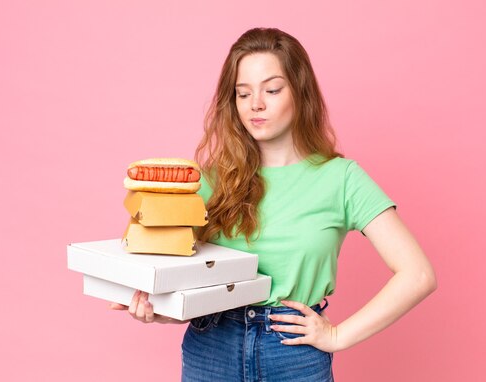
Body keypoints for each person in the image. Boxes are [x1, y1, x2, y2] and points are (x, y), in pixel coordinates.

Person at [111, 27, 437, 381]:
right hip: (212, 347)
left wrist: (338, 335)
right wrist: (160, 308)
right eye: (243, 93)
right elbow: (183, 269)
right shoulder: (212, 180)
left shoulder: (341, 178)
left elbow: (418, 274)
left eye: (272, 90)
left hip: (293, 354)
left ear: (300, 92)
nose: (256, 105)